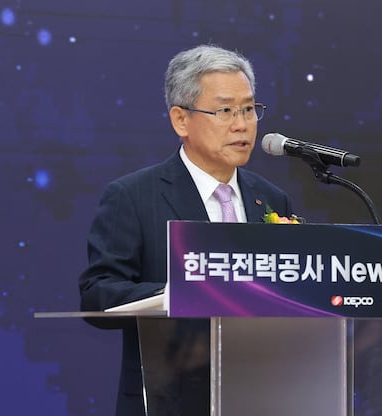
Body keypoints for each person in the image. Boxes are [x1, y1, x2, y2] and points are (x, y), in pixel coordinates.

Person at [79, 44, 293, 415]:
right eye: (225, 110)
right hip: (167, 398)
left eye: (248, 109)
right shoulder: (133, 196)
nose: (241, 124)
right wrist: (180, 294)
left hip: (259, 395)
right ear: (181, 120)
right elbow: (97, 295)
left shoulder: (271, 199)